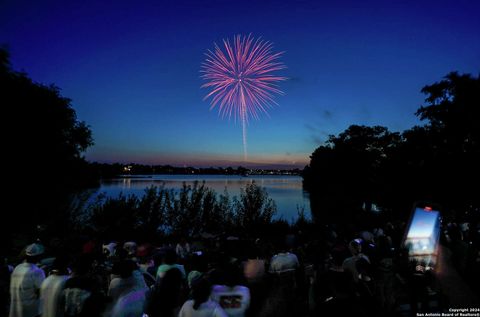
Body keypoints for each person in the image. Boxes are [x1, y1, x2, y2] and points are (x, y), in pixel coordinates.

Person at [9, 243, 46, 317]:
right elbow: (42, 292)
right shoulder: (37, 271)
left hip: (16, 309)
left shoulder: (17, 268)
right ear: (37, 257)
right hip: (31, 311)